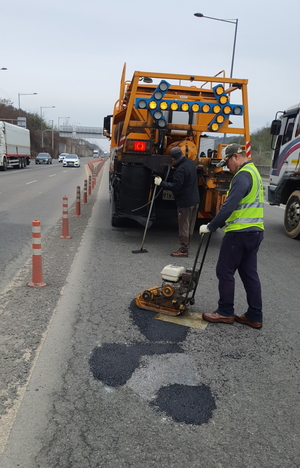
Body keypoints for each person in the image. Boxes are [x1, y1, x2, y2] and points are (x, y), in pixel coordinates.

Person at [199, 143, 264, 329]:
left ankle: (225, 312)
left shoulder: (242, 175)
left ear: (236, 156)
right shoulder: (254, 172)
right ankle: (254, 315)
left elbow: (230, 205)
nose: (227, 166)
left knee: (225, 271)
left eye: (227, 161)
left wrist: (212, 226)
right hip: (256, 231)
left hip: (239, 233)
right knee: (250, 274)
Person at [154, 146, 200, 257]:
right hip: (195, 200)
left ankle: (184, 250)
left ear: (173, 159)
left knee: (183, 225)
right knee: (190, 226)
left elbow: (176, 186)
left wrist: (161, 183)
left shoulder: (180, 170)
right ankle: (186, 246)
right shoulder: (190, 163)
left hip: (185, 202)